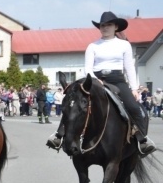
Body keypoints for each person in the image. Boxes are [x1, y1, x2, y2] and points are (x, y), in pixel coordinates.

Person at [48, 11, 156, 155]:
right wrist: (94, 78)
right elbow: (88, 68)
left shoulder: (124, 45)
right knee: (74, 103)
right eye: (102, 25)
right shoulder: (93, 46)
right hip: (95, 79)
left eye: (109, 25)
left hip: (118, 79)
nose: (105, 28)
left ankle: (142, 140)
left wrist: (135, 88)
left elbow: (129, 67)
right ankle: (59, 135)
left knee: (133, 107)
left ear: (116, 27)